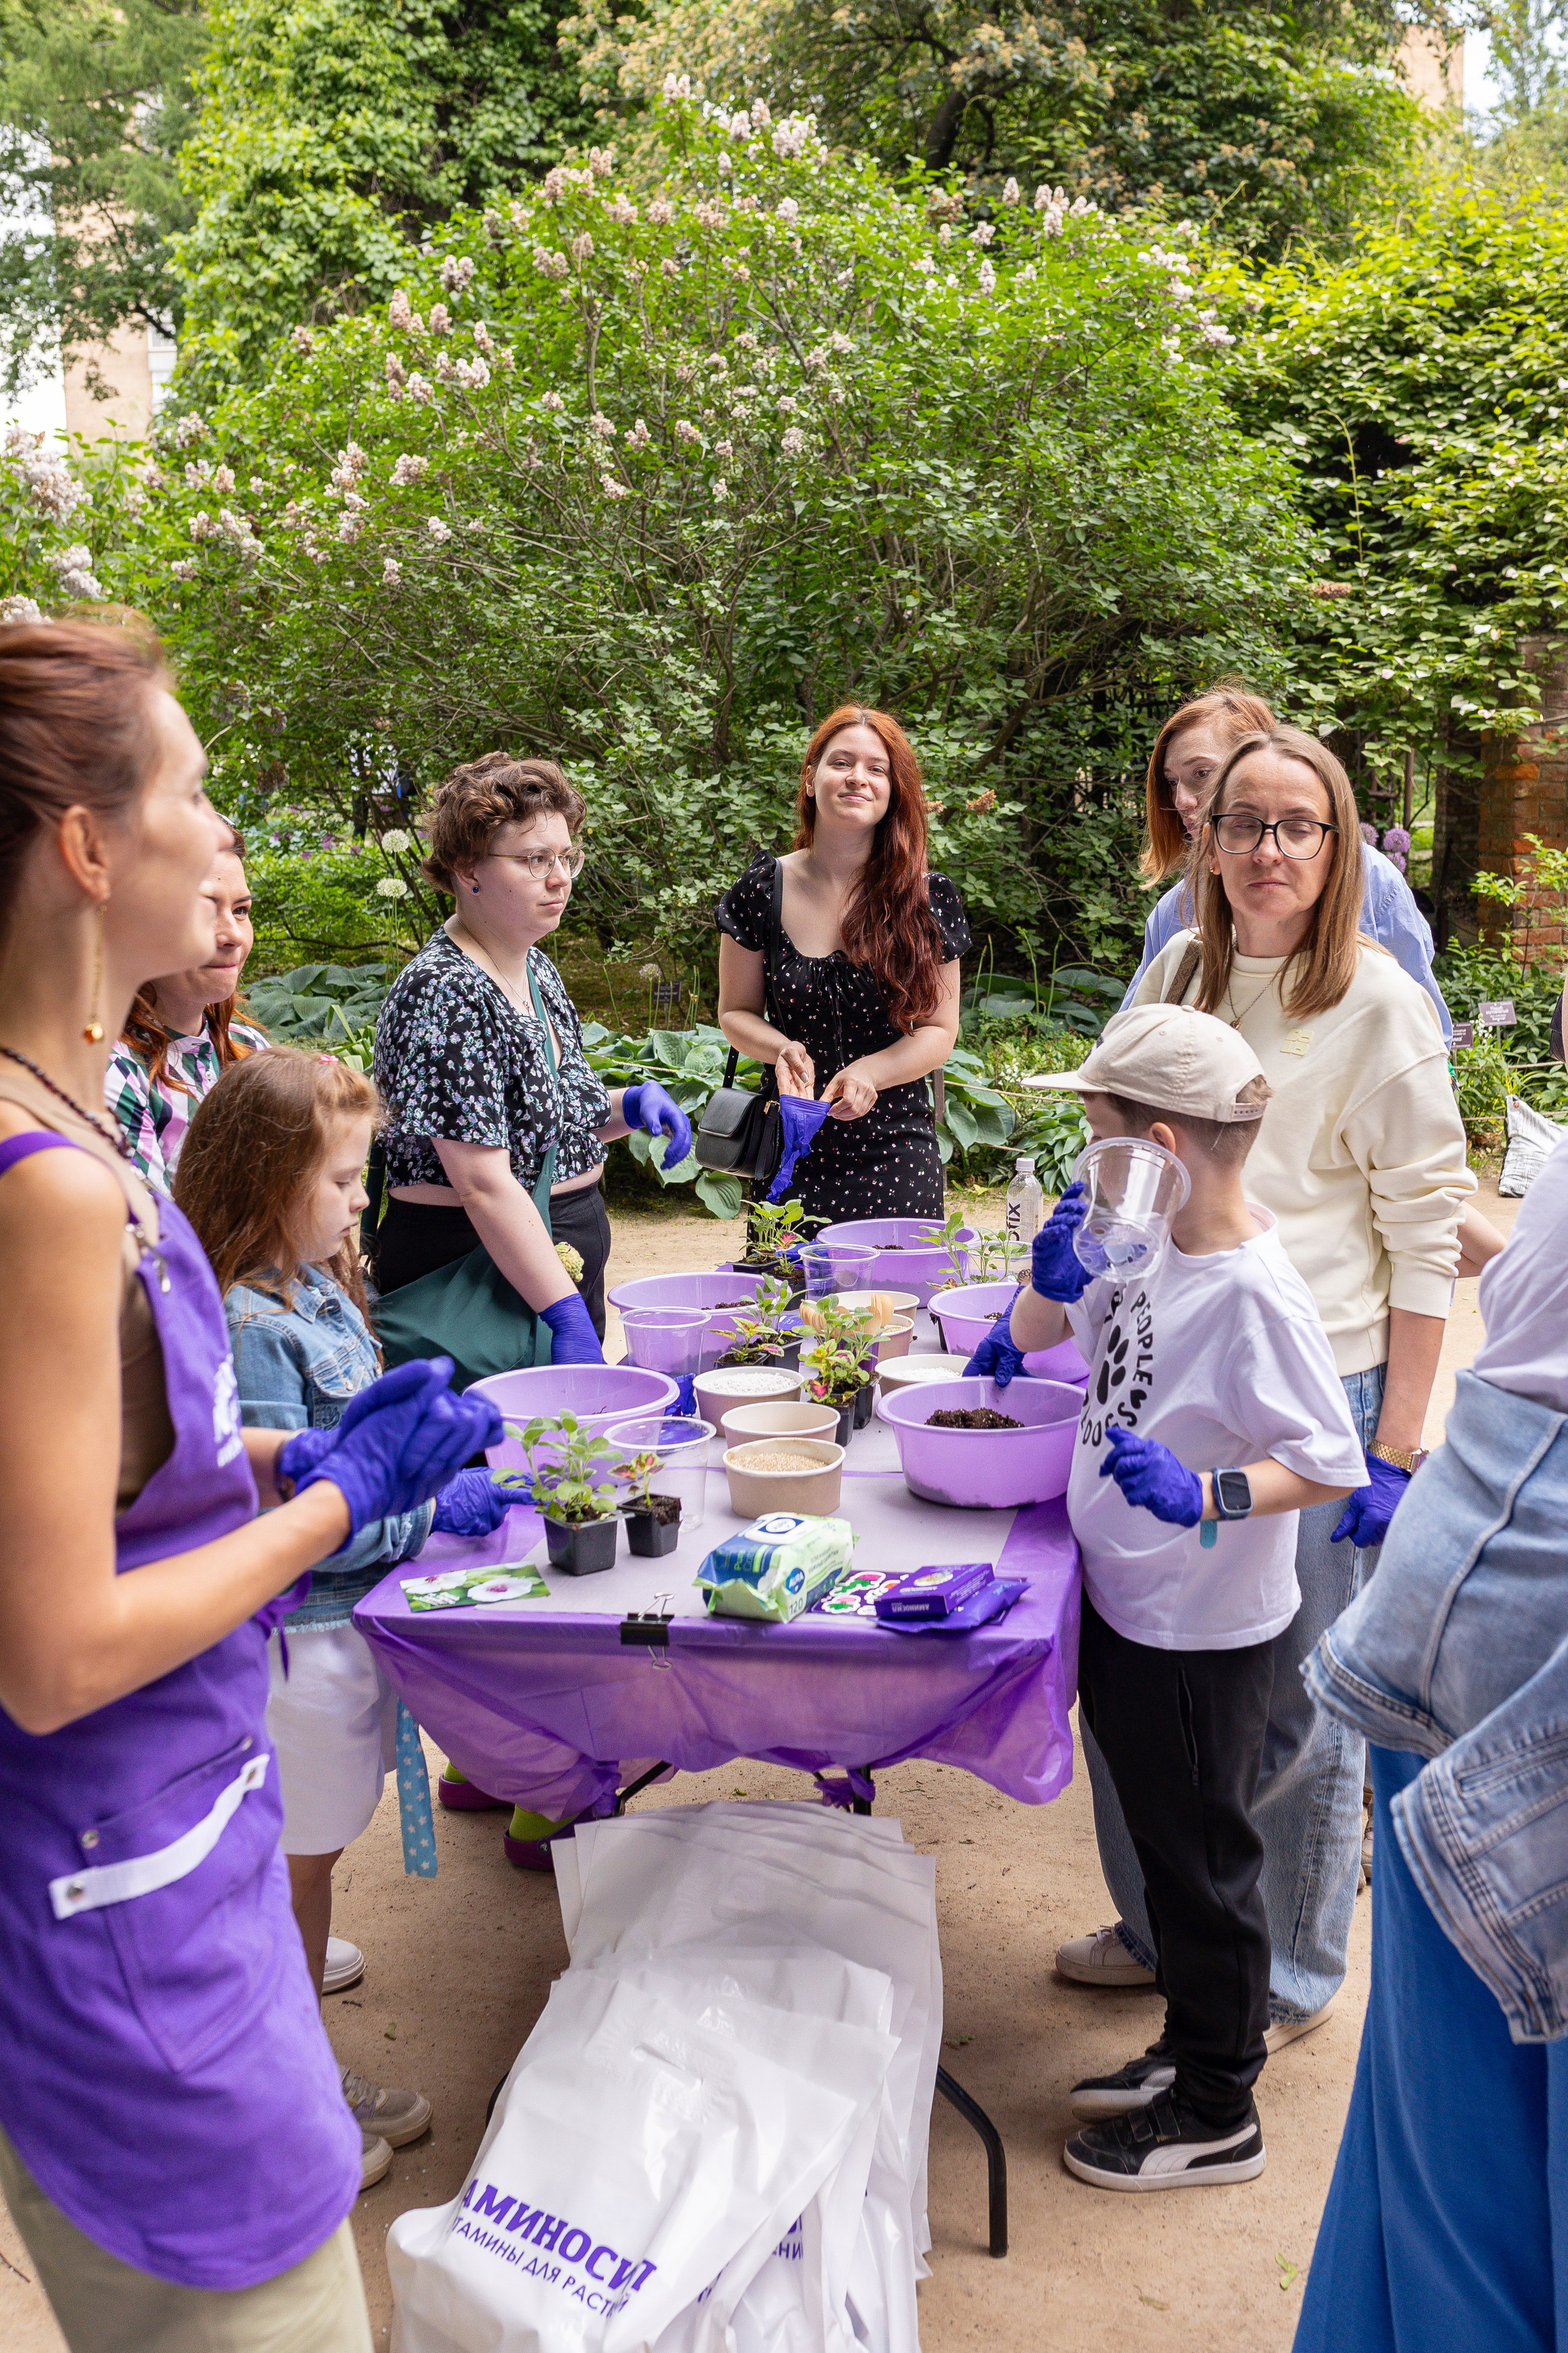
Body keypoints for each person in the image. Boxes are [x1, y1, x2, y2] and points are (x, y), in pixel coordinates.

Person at [0, 616, 501, 2350]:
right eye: (197, 793)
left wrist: (298, 1448)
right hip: (120, 1911)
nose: (224, 837)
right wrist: (332, 1512)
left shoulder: (87, 1115)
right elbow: (52, 1645)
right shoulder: (47, 1188)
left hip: (180, 1863)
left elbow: (97, 1468)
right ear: (86, 845)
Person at [1057, 725, 1474, 2047]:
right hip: (1168, 1364)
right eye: (1241, 822)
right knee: (1137, 1670)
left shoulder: (1379, 1004)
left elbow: (1425, 1232)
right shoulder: (1178, 965)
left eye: (1297, 825)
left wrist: (1396, 1445)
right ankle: (1162, 1928)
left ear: (1339, 846)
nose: (1266, 849)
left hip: (1318, 1384)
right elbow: (1120, 1146)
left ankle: (1285, 1967)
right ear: (1204, 838)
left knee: (1288, 1707)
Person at [1012, 1005, 1364, 2189]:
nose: (1083, 1158)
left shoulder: (1255, 1290)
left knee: (1208, 1864)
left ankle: (1221, 2107)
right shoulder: (1142, 1238)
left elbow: (1327, 1456)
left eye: (1096, 1133)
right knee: (1169, 1851)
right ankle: (1189, 2044)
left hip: (1199, 1628)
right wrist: (1047, 1284)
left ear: (1158, 1145)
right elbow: (1044, 1335)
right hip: (1130, 1598)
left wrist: (1207, 1488)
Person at [177, 1046, 533, 2189]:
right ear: (262, 1180)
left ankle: (296, 2037)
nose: (355, 1202)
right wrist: (432, 1510)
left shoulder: (318, 1283)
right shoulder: (251, 1322)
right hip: (301, 1644)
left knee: (311, 1862)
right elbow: (304, 1514)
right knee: (294, 1871)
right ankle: (292, 2098)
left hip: (343, 1642)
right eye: (338, 1181)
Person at [1293, 1135, 1568, 2349]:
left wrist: (1398, 1444)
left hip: (1471, 1555)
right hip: (1499, 1588)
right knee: (1464, 2173)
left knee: (1442, 2159)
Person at [371, 752, 690, 1379]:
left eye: (565, 857)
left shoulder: (532, 965)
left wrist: (626, 1107)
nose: (560, 878)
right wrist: (562, 1314)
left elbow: (535, 1123)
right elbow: (482, 1182)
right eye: (533, 860)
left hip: (546, 1269)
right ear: (468, 869)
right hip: (472, 1276)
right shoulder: (446, 989)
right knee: (503, 1467)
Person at [715, 704, 968, 1227]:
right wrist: (780, 1047)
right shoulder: (760, 889)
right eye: (842, 763)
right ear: (811, 779)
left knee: (894, 1310)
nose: (858, 778)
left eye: (877, 769)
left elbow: (941, 1030)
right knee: (788, 1304)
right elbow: (735, 1012)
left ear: (894, 790)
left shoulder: (927, 897)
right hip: (791, 1149)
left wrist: (871, 1071)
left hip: (897, 1154)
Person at [1121, 687, 1452, 1042]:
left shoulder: (1372, 882)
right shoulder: (1175, 914)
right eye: (1172, 782)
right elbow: (1124, 1051)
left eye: (1202, 774)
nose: (1182, 800)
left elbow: (1427, 1036)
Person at [105, 818, 266, 1186]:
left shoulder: (250, 1049)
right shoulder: (116, 1070)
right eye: (205, 910)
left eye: (241, 910)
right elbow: (156, 1237)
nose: (233, 936)